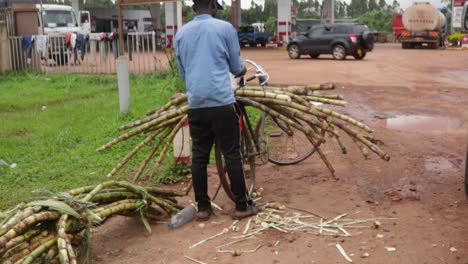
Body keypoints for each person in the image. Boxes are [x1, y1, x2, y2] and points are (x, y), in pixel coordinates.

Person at [174, 0, 260, 221]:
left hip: (196, 104)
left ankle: (203, 208)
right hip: (222, 102)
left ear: (194, 8)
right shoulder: (225, 29)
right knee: (232, 152)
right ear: (213, 6)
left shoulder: (181, 34)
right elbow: (236, 67)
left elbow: (183, 73)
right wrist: (241, 69)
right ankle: (242, 205)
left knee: (200, 156)